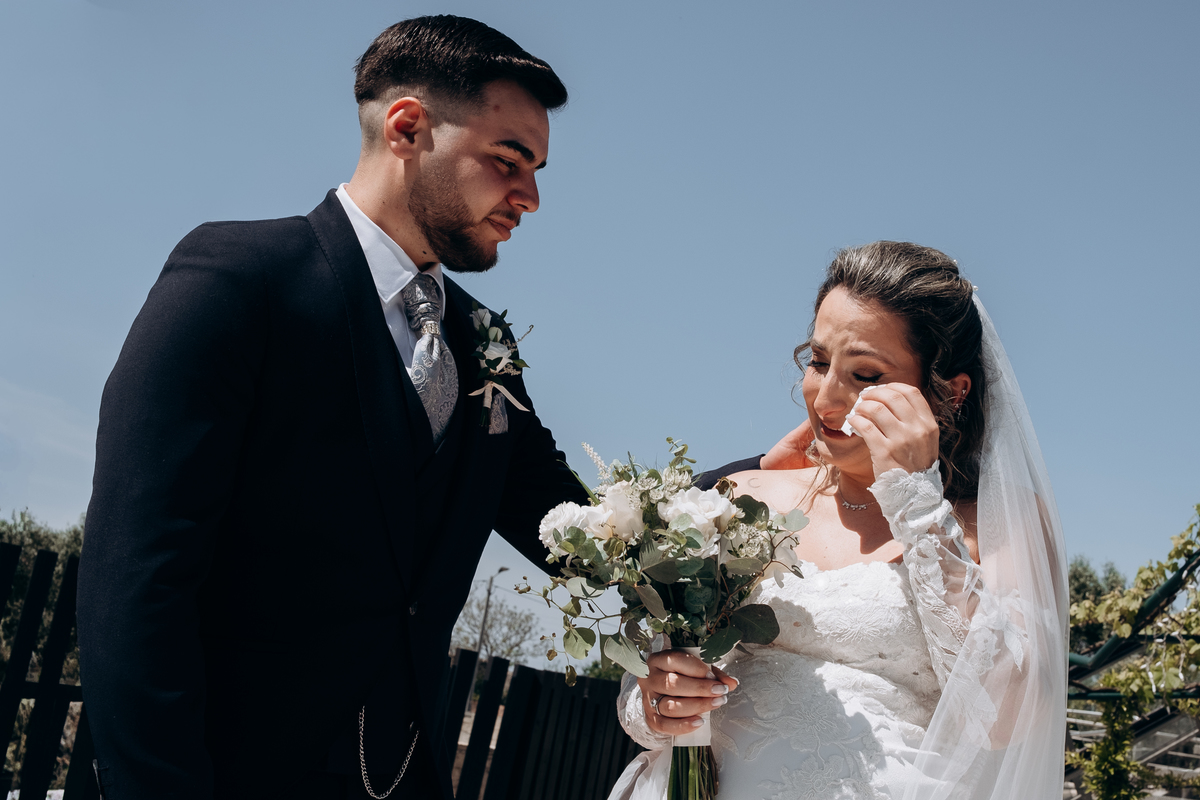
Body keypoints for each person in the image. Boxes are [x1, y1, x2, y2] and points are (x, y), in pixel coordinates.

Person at [76, 16, 592, 800]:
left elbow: (575, 529)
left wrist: (751, 490)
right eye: (508, 159)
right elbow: (136, 575)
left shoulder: (483, 341)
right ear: (407, 128)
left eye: (537, 169)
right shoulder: (241, 279)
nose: (531, 197)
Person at [611, 242, 1068, 800]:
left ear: (950, 391)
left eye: (866, 374)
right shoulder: (739, 498)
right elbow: (649, 692)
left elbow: (1006, 720)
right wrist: (659, 700)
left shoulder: (996, 524)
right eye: (819, 361)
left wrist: (918, 502)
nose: (826, 399)